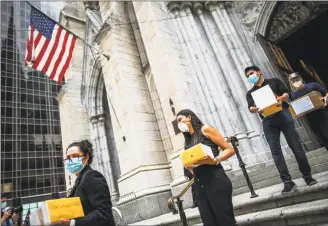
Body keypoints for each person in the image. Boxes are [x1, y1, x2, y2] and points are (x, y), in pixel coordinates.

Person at [245, 66, 317, 194]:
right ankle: (287, 182)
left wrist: (280, 98)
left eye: (251, 73)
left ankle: (307, 176)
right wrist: (256, 109)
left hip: (283, 114)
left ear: (259, 72)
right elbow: (250, 107)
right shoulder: (250, 93)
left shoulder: (274, 81)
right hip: (267, 120)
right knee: (275, 151)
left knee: (296, 146)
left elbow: (286, 94)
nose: (250, 76)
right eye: (248, 76)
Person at [177, 109, 236, 226]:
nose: (179, 124)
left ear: (189, 117)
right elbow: (193, 166)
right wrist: (189, 167)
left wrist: (216, 160)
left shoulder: (206, 129)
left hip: (216, 180)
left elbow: (229, 149)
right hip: (200, 186)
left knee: (225, 221)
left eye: (180, 119)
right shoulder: (187, 141)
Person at [51, 140, 115, 226]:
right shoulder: (80, 179)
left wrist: (73, 223)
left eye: (75, 156)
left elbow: (103, 212)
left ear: (86, 158)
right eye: (68, 158)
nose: (70, 161)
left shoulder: (91, 176)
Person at [289, 72, 328, 149]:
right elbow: (293, 108)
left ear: (301, 78)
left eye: (297, 79)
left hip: (322, 113)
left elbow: (326, 94)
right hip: (310, 118)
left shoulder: (313, 85)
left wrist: (325, 101)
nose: (296, 82)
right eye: (293, 81)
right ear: (291, 83)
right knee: (322, 137)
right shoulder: (293, 95)